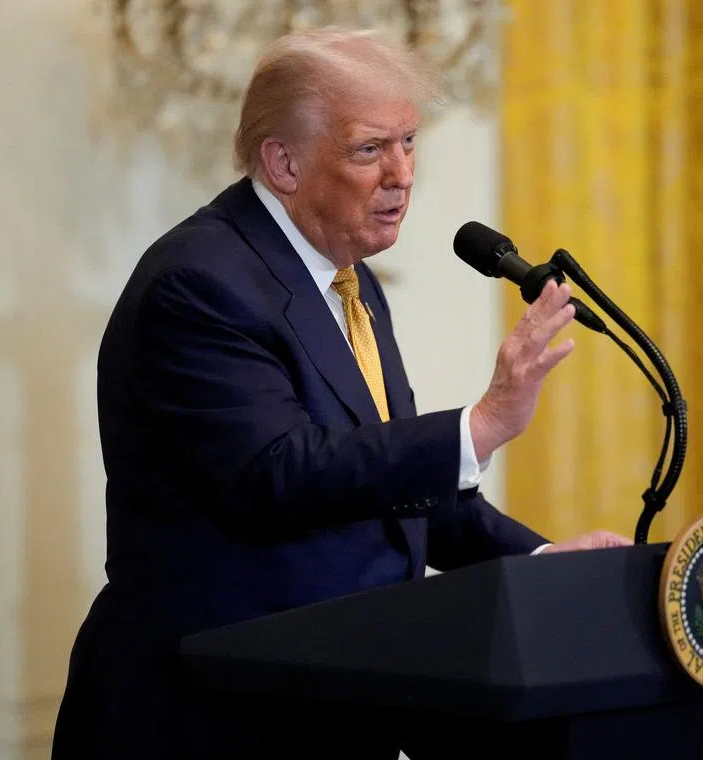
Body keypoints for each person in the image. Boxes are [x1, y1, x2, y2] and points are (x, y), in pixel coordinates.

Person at [51, 27, 631, 760]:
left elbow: (391, 497)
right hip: (205, 719)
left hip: (328, 709)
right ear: (283, 162)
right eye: (370, 149)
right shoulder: (198, 284)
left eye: (410, 142)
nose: (402, 174)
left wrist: (545, 564)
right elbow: (282, 475)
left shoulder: (343, 278)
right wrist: (479, 427)